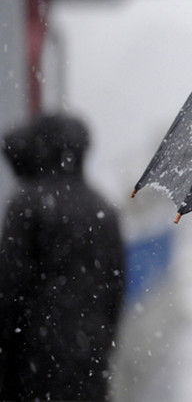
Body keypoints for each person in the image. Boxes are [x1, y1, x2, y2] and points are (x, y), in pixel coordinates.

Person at [0, 113, 126, 401]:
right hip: (89, 357)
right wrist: (101, 343)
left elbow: (9, 289)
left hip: (33, 359)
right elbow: (116, 291)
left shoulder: (28, 204)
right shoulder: (103, 208)